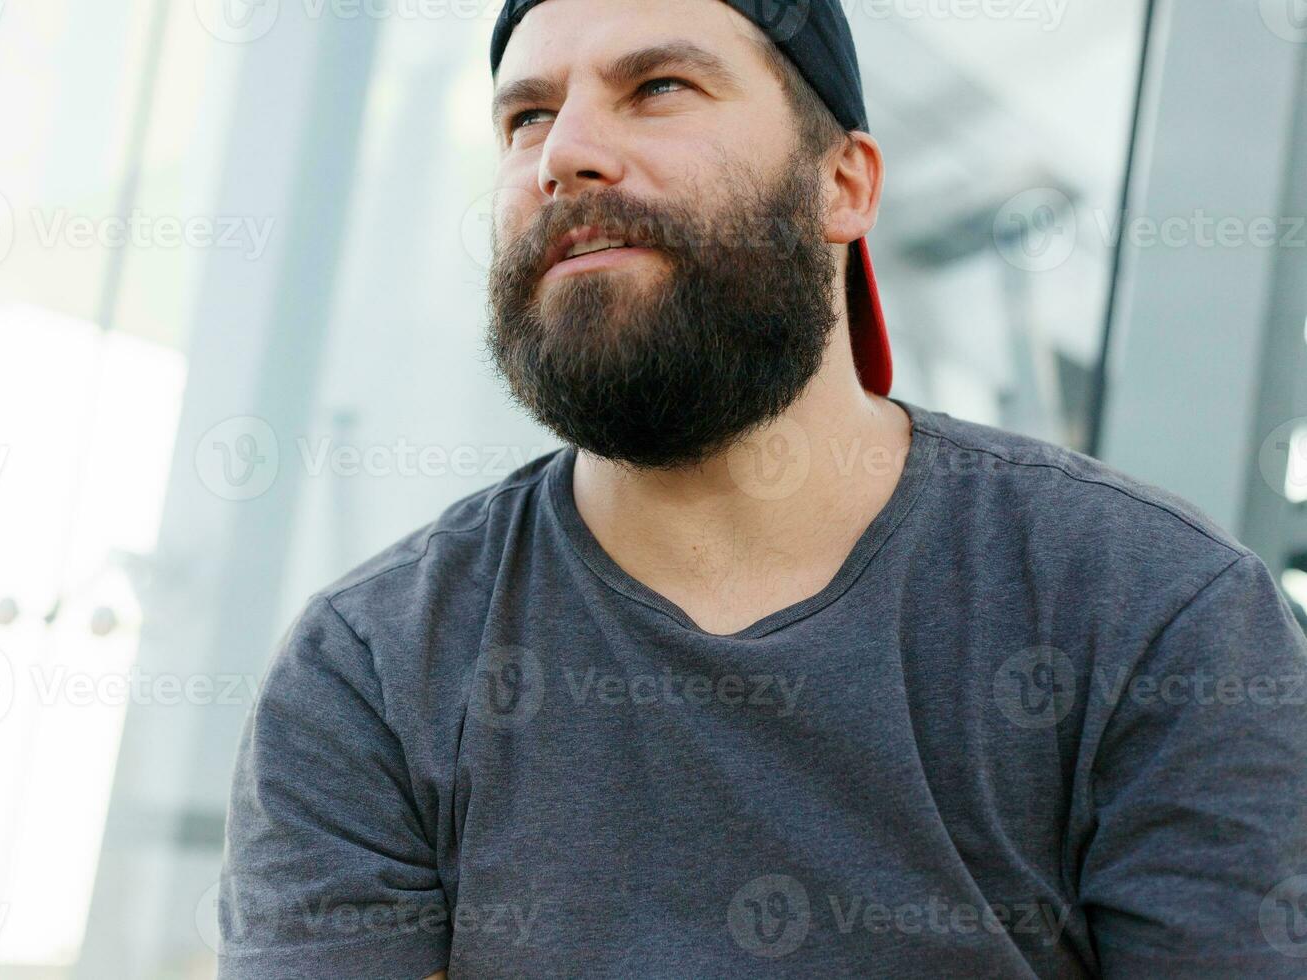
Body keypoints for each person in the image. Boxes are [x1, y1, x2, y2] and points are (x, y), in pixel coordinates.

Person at [217, 0, 1307, 976]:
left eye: (659, 87)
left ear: (844, 184)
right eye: (527, 117)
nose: (567, 155)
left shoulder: (1156, 614)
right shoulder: (371, 670)